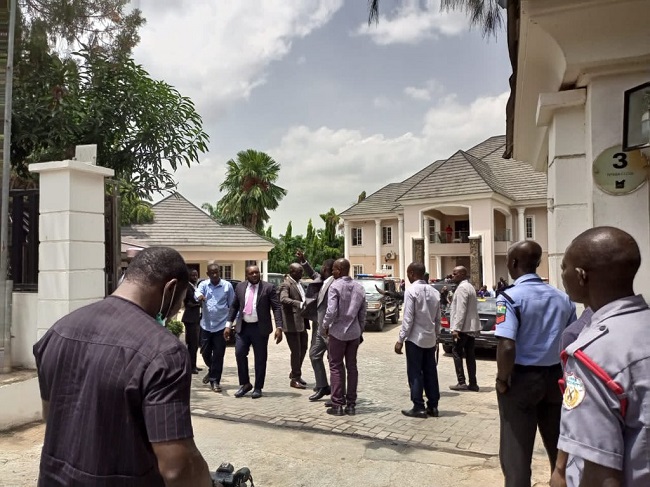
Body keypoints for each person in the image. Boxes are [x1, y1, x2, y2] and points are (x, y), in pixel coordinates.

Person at [32, 247, 213, 486]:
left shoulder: (58, 331)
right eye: (178, 304)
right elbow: (177, 469)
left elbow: (51, 416)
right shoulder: (164, 352)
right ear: (170, 288)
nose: (174, 313)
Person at [551, 227, 650, 487]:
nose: (562, 275)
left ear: (580, 276)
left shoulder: (593, 355)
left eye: (564, 268)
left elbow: (600, 471)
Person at [494, 240, 576, 487]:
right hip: (556, 379)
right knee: (559, 449)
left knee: (516, 453)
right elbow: (572, 342)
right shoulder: (563, 299)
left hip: (520, 380)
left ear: (513, 263)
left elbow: (507, 346)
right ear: (538, 263)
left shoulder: (508, 297)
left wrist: (502, 379)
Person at [225, 265, 284, 399]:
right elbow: (234, 306)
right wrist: (228, 325)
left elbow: (276, 307)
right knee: (239, 353)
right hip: (243, 327)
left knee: (260, 358)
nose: (255, 275)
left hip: (260, 328)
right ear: (246, 275)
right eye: (251, 273)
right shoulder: (240, 287)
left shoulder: (268, 288)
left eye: (257, 272)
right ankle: (245, 384)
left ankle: (258, 387)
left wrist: (279, 327)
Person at [394, 262, 442, 418]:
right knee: (430, 372)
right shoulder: (435, 292)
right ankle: (433, 406)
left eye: (408, 273)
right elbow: (438, 319)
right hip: (430, 339)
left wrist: (400, 339)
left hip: (415, 339)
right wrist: (437, 337)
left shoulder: (411, 291)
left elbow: (408, 319)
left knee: (415, 373)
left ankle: (418, 406)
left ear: (412, 273)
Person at [322, 258, 367, 416]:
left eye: (334, 269)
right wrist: (360, 331)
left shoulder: (335, 286)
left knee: (335, 366)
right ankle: (351, 404)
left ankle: (337, 404)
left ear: (340, 270)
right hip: (354, 333)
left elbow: (331, 311)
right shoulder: (359, 287)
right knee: (352, 367)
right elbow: (362, 314)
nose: (332, 272)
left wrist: (325, 325)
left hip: (337, 332)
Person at [297, 250, 334, 402]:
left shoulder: (335, 284)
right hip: (318, 326)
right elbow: (312, 273)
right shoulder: (321, 280)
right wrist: (303, 260)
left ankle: (338, 393)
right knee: (314, 354)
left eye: (323, 267)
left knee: (334, 360)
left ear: (326, 269)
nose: (320, 269)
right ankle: (322, 386)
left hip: (330, 328)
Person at [196, 262, 235, 393]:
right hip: (206, 325)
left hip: (221, 326)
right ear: (207, 274)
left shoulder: (227, 286)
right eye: (211, 273)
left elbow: (232, 305)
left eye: (216, 272)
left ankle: (215, 381)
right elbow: (197, 292)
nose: (214, 275)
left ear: (219, 272)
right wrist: (199, 296)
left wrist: (230, 324)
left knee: (218, 355)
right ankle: (212, 369)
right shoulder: (203, 285)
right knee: (205, 352)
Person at [448, 266, 481, 392]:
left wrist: (456, 328)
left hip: (463, 328)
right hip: (470, 328)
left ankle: (461, 382)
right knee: (470, 355)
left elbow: (461, 310)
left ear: (462, 274)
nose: (453, 276)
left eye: (455, 274)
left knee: (457, 352)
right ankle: (473, 383)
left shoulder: (462, 288)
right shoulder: (470, 287)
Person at [279, 263, 310, 389]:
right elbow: (283, 299)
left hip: (301, 322)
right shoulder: (286, 284)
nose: (302, 274)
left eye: (302, 271)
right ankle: (295, 378)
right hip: (291, 323)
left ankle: (295, 372)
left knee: (303, 348)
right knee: (296, 351)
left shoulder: (299, 283)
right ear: (292, 272)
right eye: (299, 272)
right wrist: (299, 304)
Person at [182, 268, 202, 374]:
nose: (195, 277)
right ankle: (190, 366)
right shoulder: (187, 287)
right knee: (192, 344)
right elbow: (187, 303)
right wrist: (199, 303)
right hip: (190, 318)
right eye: (193, 275)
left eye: (196, 275)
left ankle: (193, 364)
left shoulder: (195, 286)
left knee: (195, 344)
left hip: (195, 318)